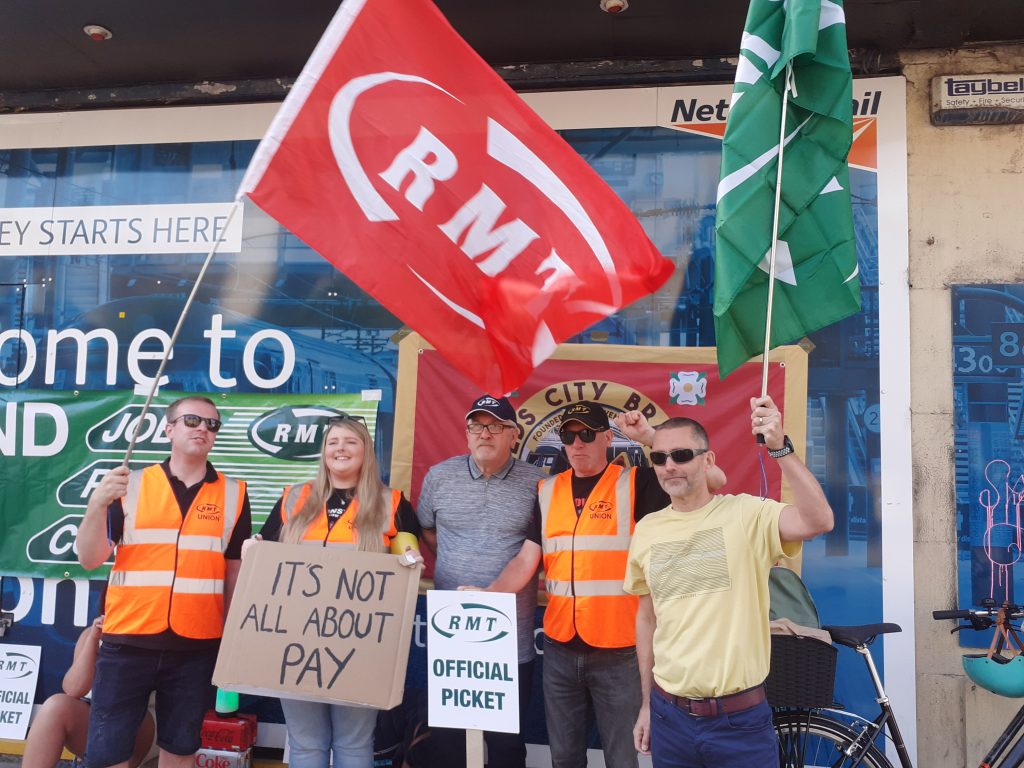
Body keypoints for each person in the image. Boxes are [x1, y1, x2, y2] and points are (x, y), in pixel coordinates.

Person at [624, 396, 834, 768]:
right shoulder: (646, 530)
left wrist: (780, 448)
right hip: (667, 716)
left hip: (739, 722)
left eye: (682, 455)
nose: (669, 466)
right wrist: (644, 705)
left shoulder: (746, 514)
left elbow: (819, 521)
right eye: (659, 458)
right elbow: (647, 619)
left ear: (708, 460)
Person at [535, 401, 725, 768]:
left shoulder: (636, 481)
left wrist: (650, 437)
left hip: (619, 651)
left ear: (608, 438)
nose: (577, 443)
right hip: (558, 649)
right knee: (563, 760)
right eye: (569, 435)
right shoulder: (545, 490)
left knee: (622, 759)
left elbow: (711, 479)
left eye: (587, 434)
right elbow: (528, 559)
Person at [76, 396, 252, 768]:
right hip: (128, 640)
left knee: (182, 747)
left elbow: (233, 572)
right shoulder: (128, 484)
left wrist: (233, 637)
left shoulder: (235, 494)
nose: (203, 428)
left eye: (212, 424)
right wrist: (96, 505)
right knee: (107, 754)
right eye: (192, 420)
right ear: (169, 429)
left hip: (197, 644)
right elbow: (90, 558)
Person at [250, 413, 422, 768]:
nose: (340, 449)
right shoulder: (293, 498)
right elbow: (264, 554)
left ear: (366, 451)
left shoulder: (393, 503)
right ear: (323, 452)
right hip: (295, 640)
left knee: (354, 743)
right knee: (306, 742)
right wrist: (254, 548)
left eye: (350, 442)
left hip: (359, 645)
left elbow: (407, 552)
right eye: (333, 442)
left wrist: (409, 557)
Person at [416, 395, 546, 768]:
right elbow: (427, 528)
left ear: (513, 435)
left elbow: (539, 549)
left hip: (510, 639)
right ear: (467, 434)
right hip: (451, 633)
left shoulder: (539, 484)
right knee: (448, 741)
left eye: (495, 426)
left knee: (507, 745)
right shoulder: (440, 476)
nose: (484, 433)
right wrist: (456, 564)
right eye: (477, 426)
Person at [22, 616, 156, 768]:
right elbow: (73, 689)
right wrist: (93, 639)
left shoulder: (151, 632)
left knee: (119, 713)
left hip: (142, 722)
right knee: (56, 707)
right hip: (97, 719)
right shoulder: (91, 633)